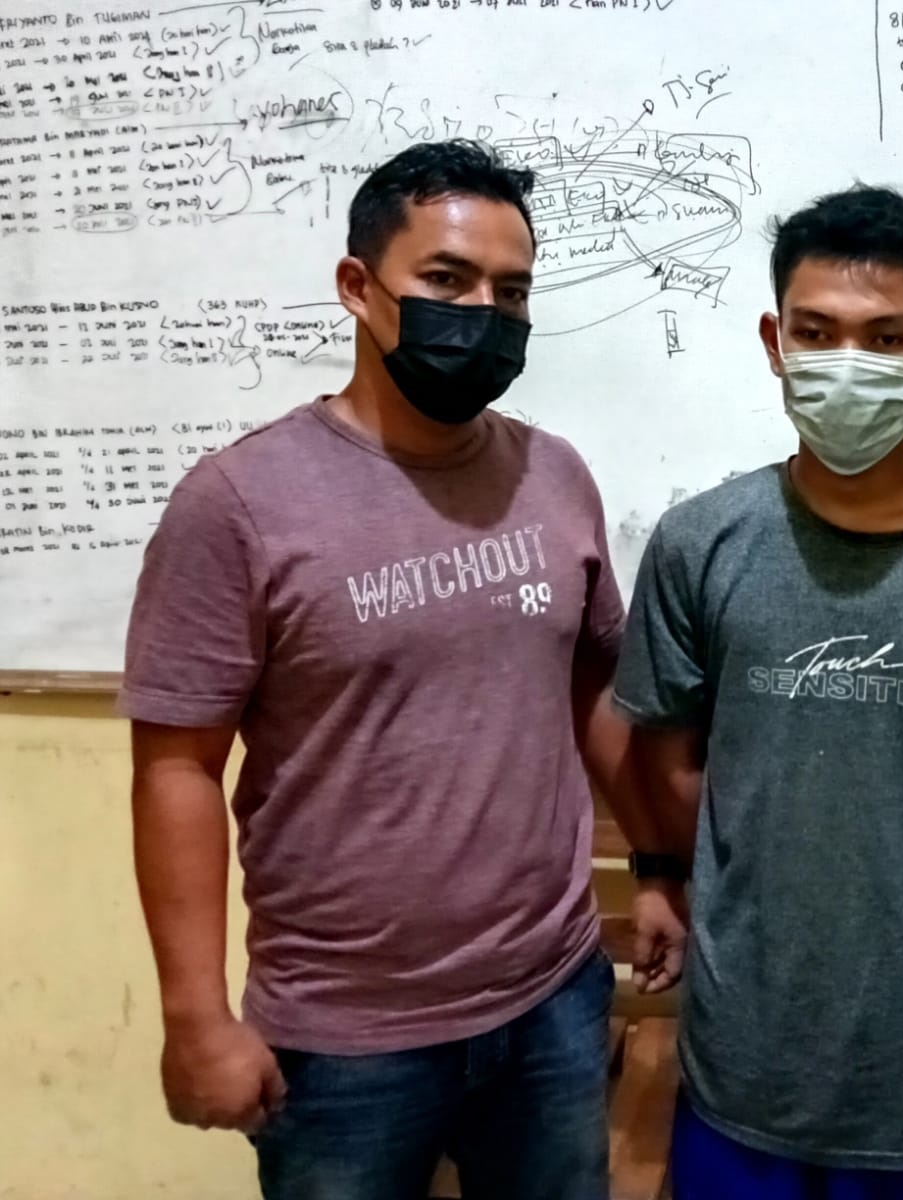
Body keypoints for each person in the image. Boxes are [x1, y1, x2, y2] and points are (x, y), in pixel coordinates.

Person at [121, 139, 629, 1200]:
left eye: (511, 291)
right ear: (358, 286)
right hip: (346, 1038)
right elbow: (177, 768)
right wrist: (195, 1016)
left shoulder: (554, 475)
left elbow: (593, 684)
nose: (483, 313)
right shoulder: (240, 503)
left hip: (553, 999)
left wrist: (661, 865)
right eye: (446, 279)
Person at [612, 185, 903, 1198]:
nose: (848, 363)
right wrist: (752, 876)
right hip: (747, 1045)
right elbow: (669, 754)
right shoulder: (700, 542)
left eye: (886, 337)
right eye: (816, 333)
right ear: (773, 341)